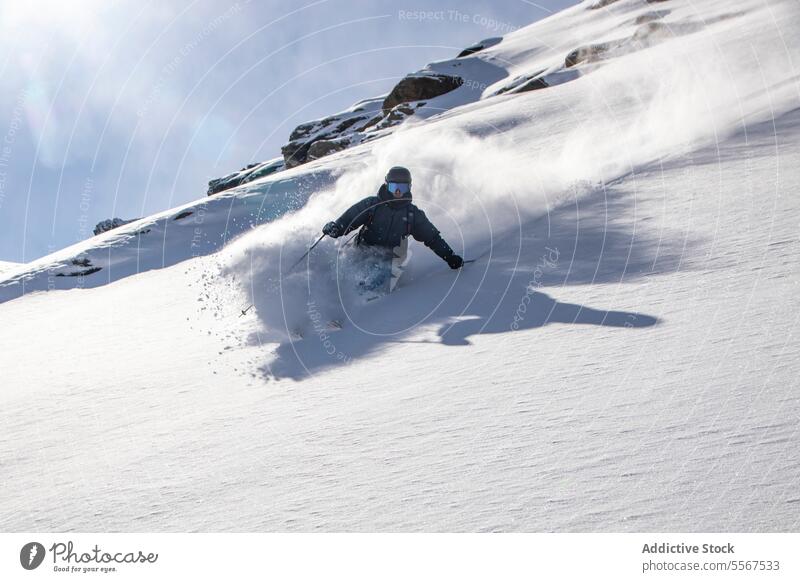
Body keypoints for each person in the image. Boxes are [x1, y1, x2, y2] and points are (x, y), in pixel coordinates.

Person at [322, 167, 463, 293]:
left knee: (374, 280)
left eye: (401, 188)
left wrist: (449, 256)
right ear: (386, 185)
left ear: (409, 188)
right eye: (393, 187)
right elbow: (350, 219)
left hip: (387, 260)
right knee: (343, 274)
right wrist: (336, 228)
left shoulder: (412, 214)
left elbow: (432, 238)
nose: (397, 192)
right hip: (361, 250)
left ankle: (359, 308)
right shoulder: (372, 205)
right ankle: (336, 302)